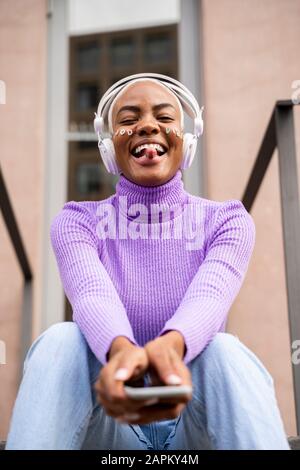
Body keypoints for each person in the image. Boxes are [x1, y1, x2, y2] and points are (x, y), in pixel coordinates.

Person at [6, 73, 290, 450]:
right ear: (109, 149)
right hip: (111, 425)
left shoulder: (227, 221)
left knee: (225, 350)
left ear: (187, 140)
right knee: (61, 339)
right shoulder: (78, 222)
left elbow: (210, 298)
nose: (147, 126)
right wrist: (122, 354)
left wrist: (171, 348)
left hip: (192, 424)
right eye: (127, 120)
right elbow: (91, 294)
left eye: (164, 117)